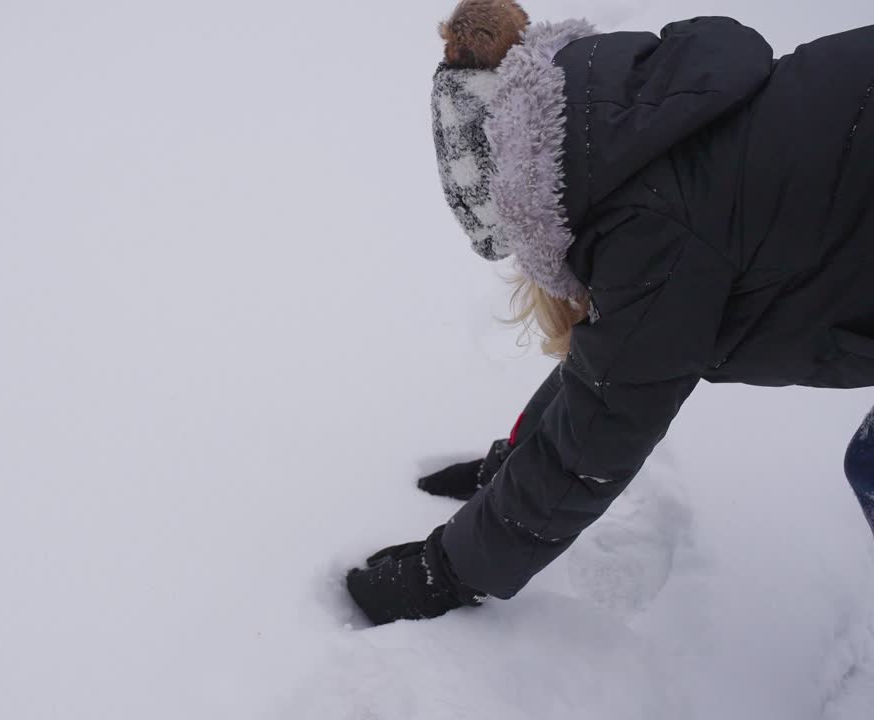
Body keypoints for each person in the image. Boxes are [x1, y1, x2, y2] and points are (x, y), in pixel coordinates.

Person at [345, 0, 874, 627]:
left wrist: (448, 570)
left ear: (525, 205)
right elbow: (607, 361)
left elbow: (600, 430)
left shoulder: (647, 226)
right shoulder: (634, 123)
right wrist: (510, 461)